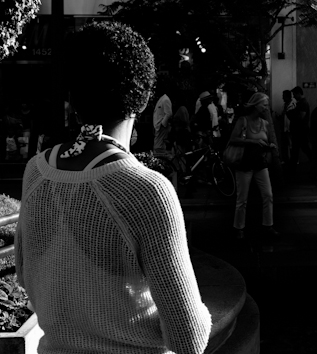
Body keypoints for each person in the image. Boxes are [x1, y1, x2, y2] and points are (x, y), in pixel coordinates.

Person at [15, 21, 211, 354]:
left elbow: (24, 277)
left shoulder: (37, 170)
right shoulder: (148, 190)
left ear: (73, 95)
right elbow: (188, 338)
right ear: (142, 99)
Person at [228, 92, 279, 240]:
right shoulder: (243, 121)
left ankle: (268, 226)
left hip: (260, 164)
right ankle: (239, 228)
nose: (266, 108)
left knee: (268, 195)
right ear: (255, 105)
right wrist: (252, 142)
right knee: (242, 199)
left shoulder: (265, 124)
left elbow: (266, 141)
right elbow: (233, 139)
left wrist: (269, 146)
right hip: (244, 164)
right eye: (264, 105)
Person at [287, 86, 313, 172]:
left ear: (298, 93)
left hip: (300, 130)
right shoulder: (301, 103)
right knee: (300, 149)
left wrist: (290, 114)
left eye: (294, 94)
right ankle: (292, 167)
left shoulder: (303, 103)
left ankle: (315, 164)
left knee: (300, 148)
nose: (293, 96)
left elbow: (301, 117)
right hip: (300, 130)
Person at [153, 90, 173, 158]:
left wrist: (162, 124)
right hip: (158, 126)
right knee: (157, 146)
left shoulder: (165, 100)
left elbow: (169, 113)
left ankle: (161, 161)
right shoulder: (162, 99)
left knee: (159, 147)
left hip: (161, 127)